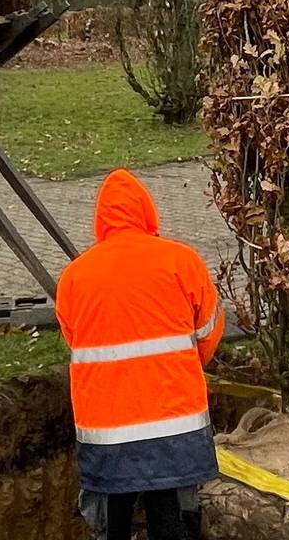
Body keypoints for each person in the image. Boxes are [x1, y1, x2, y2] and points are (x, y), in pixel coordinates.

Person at [57, 170, 224, 540]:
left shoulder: (74, 277)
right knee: (173, 522)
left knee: (112, 525)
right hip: (175, 425)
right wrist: (183, 369)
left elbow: (77, 340)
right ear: (148, 213)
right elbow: (209, 333)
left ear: (99, 220)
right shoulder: (182, 262)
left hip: (107, 435)